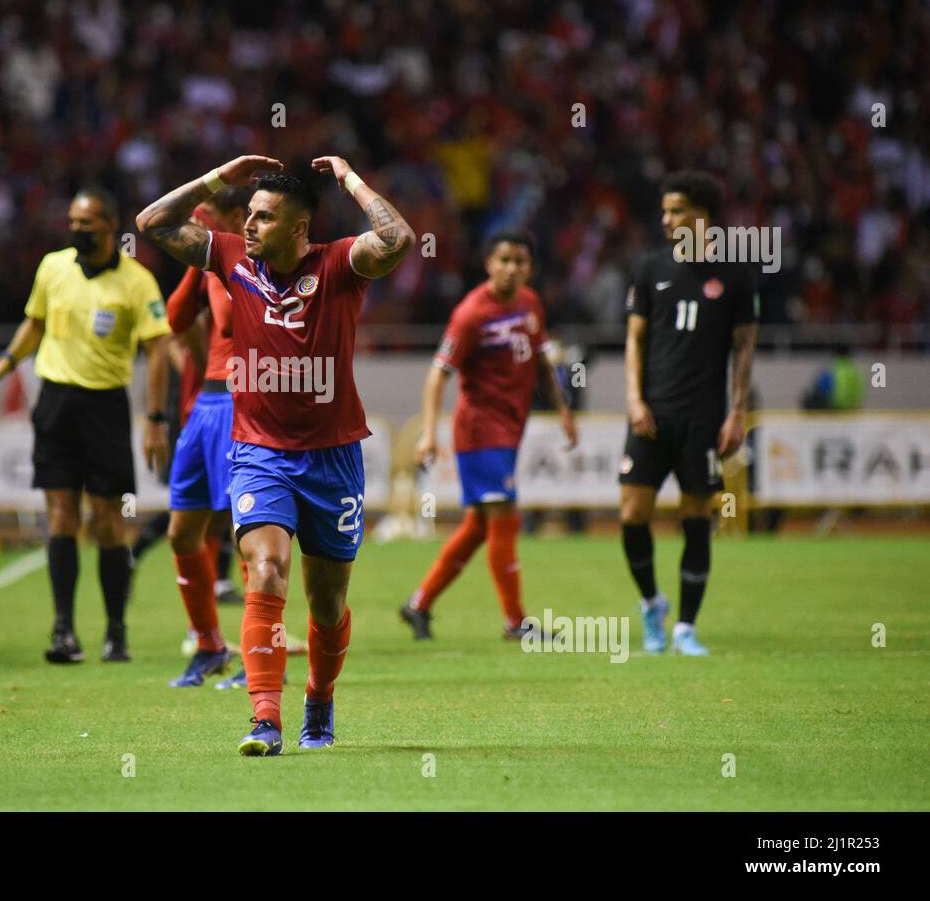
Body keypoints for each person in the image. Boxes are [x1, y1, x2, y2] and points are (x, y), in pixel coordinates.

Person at [137, 154, 416, 755]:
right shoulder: (234, 260)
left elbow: (399, 238)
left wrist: (350, 180)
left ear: (299, 229)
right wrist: (221, 177)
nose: (250, 226)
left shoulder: (339, 264)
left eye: (264, 217)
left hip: (334, 456)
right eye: (250, 215)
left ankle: (319, 697)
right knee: (265, 569)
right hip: (259, 451)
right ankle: (266, 718)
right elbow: (153, 223)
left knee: (327, 599)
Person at [0, 187, 171, 663]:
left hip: (106, 406)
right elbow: (34, 323)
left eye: (87, 222)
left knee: (108, 524)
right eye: (73, 222)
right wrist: (3, 363)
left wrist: (157, 419)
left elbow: (159, 349)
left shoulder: (137, 282)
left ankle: (116, 632)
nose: (77, 229)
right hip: (56, 402)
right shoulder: (52, 267)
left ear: (110, 225)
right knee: (61, 515)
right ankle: (63, 631)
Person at [402, 232, 578, 639]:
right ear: (489, 264)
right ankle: (515, 621)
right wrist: (430, 435)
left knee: (479, 527)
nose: (512, 268)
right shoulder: (471, 314)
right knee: (506, 517)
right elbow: (436, 375)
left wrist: (564, 409)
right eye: (504, 260)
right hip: (480, 430)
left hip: (511, 428)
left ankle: (419, 604)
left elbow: (541, 361)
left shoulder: (530, 303)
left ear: (530, 268)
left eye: (520, 261)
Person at [619, 171, 758, 656]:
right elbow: (635, 340)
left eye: (677, 211)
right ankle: (652, 603)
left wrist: (737, 412)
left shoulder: (736, 274)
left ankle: (685, 628)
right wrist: (634, 399)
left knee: (697, 514)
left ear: (704, 216)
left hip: (705, 418)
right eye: (665, 211)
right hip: (652, 414)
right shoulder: (649, 267)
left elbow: (743, 348)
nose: (667, 219)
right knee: (632, 513)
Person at [160, 188, 250, 688]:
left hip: (242, 400)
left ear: (234, 218)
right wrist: (200, 264)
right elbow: (174, 320)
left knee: (248, 533)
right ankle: (210, 645)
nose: (191, 227)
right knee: (181, 531)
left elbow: (232, 320)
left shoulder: (252, 260)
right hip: (206, 406)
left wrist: (213, 260)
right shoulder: (211, 260)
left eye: (201, 219)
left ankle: (259, 654)